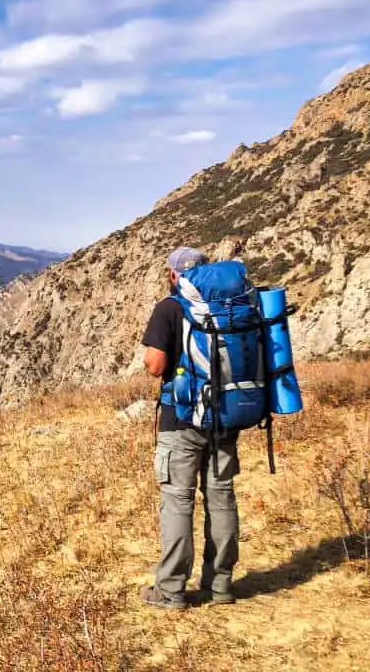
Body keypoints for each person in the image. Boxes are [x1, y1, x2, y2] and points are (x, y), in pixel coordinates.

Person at [140, 246, 239, 610]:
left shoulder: (171, 307)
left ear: (173, 274)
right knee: (221, 498)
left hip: (181, 420)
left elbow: (155, 364)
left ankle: (171, 591)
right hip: (226, 417)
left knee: (179, 502)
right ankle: (220, 585)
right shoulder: (230, 306)